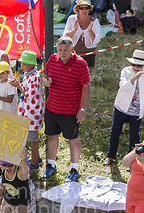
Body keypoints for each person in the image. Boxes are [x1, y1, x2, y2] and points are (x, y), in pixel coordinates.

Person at [42, 36, 91, 181]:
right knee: (52, 137)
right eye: (60, 50)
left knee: (73, 139)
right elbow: (46, 74)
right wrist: (46, 81)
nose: (62, 53)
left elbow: (87, 87)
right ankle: (51, 165)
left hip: (70, 110)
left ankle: (74, 168)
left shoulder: (81, 64)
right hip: (52, 107)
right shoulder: (52, 59)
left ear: (72, 50)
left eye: (65, 50)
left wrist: (83, 109)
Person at [103, 50, 144, 168]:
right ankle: (110, 156)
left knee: (134, 136)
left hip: (136, 111)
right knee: (115, 132)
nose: (135, 67)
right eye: (133, 64)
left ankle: (131, 160)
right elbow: (123, 87)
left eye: (139, 65)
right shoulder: (126, 71)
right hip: (121, 107)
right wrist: (134, 78)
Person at [9, 50, 43, 171]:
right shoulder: (29, 75)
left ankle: (34, 162)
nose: (22, 66)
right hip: (28, 112)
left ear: (32, 64)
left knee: (33, 140)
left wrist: (18, 86)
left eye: (25, 64)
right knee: (30, 138)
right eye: (21, 64)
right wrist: (18, 85)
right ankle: (37, 157)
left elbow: (29, 95)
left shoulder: (34, 77)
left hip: (32, 114)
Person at [64, 0, 101, 73]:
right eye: (81, 8)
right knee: (73, 76)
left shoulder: (95, 21)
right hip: (73, 53)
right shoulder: (72, 19)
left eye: (86, 8)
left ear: (89, 9)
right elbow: (65, 37)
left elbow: (96, 40)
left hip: (89, 53)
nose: (84, 10)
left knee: (86, 77)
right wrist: (74, 29)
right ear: (78, 9)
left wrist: (90, 31)